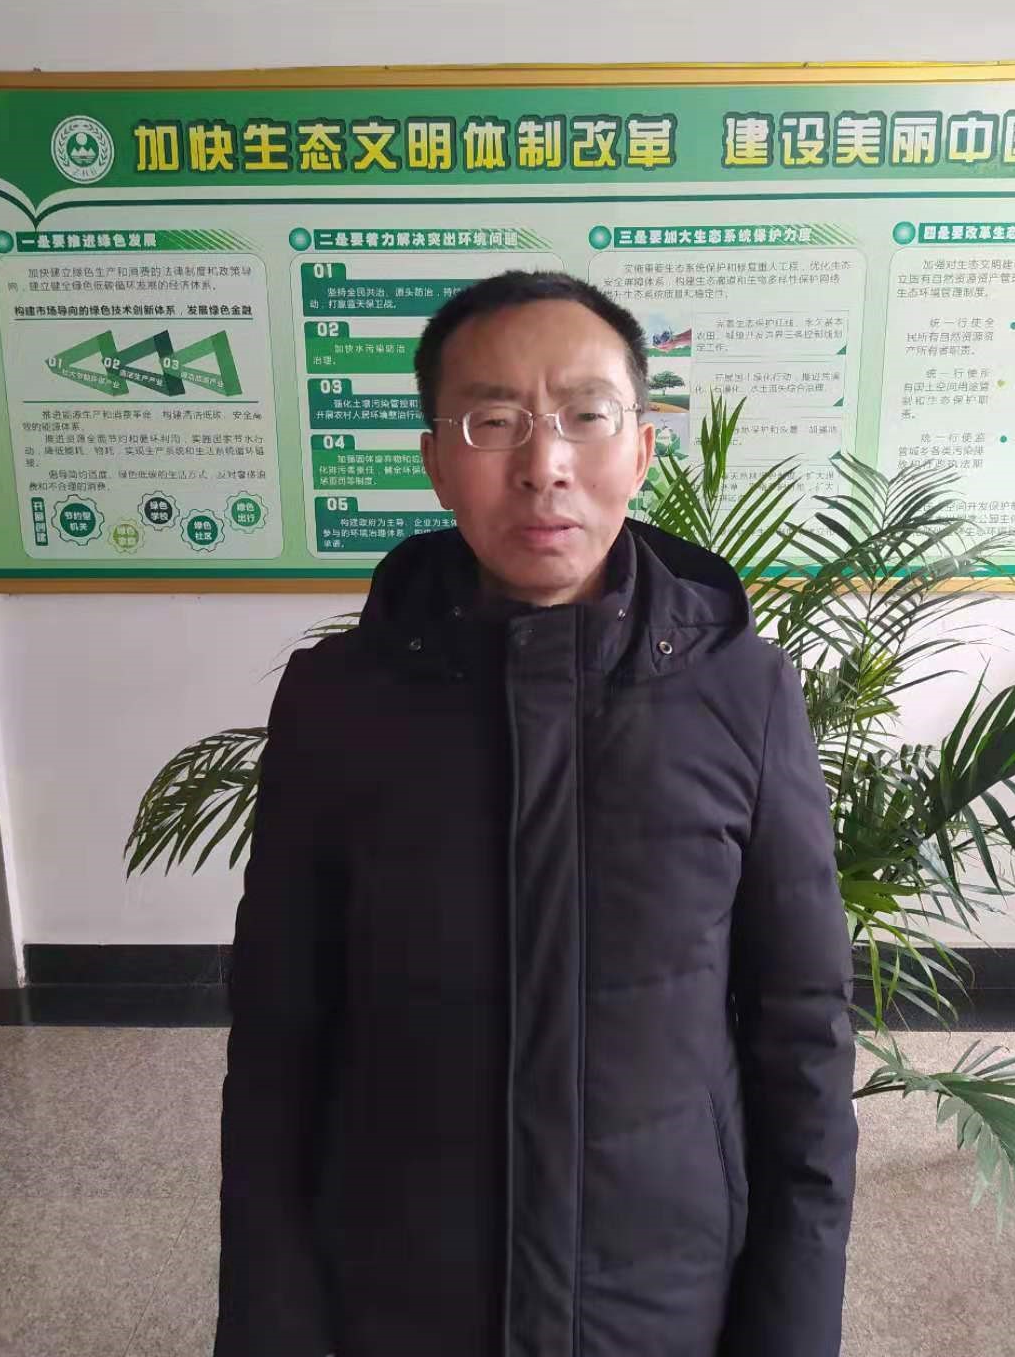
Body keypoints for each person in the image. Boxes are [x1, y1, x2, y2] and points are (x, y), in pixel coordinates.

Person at [214, 270, 858, 1357]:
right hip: (400, 1287)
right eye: (493, 420)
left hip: (663, 1290)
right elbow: (280, 1037)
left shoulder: (745, 695)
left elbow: (802, 1035)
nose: (543, 464)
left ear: (641, 449)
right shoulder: (338, 703)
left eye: (584, 416)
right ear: (435, 459)